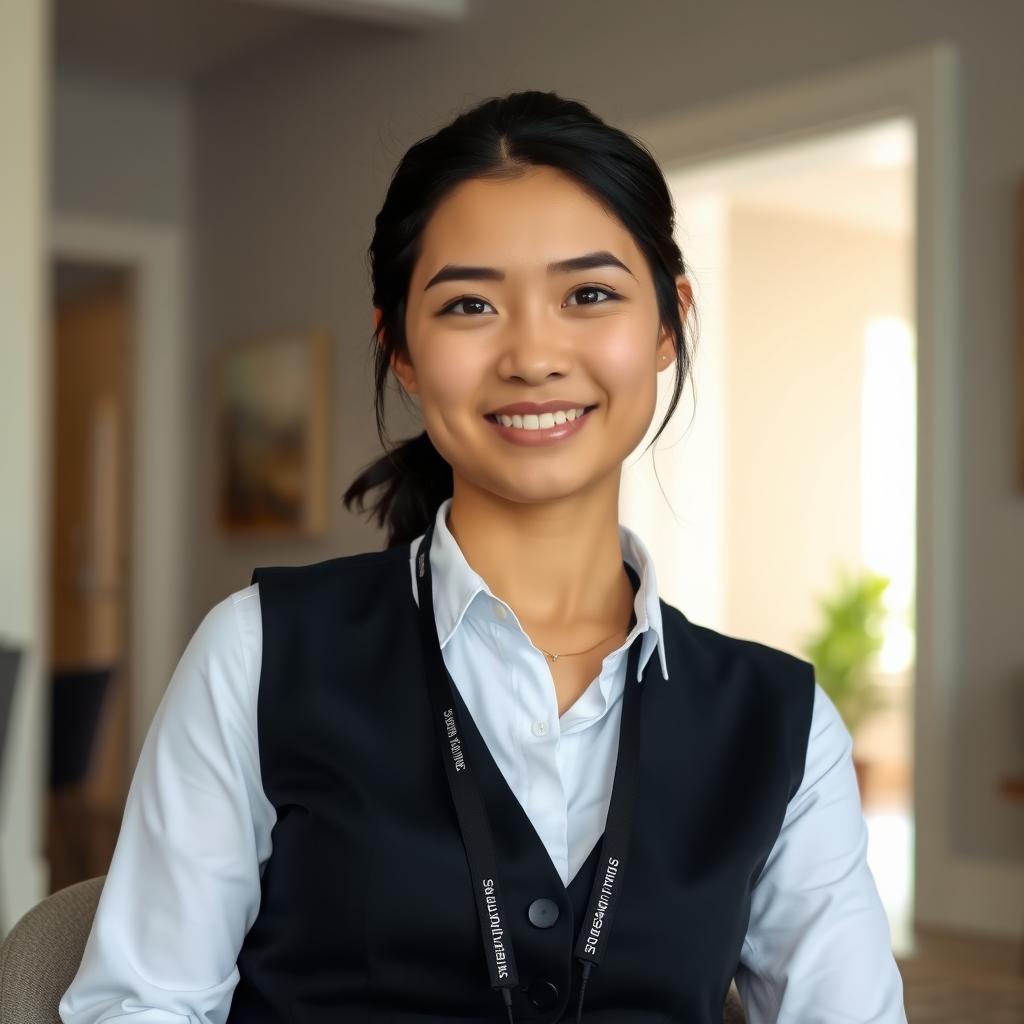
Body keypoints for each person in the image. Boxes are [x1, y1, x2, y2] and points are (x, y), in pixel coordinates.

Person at [58, 90, 907, 1023]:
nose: (534, 355)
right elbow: (139, 1007)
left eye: (590, 294)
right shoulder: (258, 652)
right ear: (404, 350)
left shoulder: (783, 726)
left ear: (668, 323)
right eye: (470, 304)